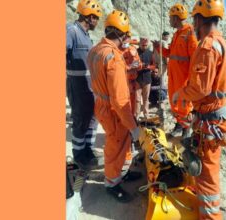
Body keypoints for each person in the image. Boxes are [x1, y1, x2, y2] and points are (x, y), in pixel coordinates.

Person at [172, 0, 226, 219]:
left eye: (194, 19)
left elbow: (200, 88)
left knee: (207, 175)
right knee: (206, 171)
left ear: (199, 19)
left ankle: (209, 216)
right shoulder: (222, 43)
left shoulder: (207, 46)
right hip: (212, 117)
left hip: (211, 120)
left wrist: (181, 93)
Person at [87, 9, 142, 203]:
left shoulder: (96, 50)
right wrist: (133, 126)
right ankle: (111, 183)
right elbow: (119, 101)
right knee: (115, 145)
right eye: (127, 34)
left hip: (102, 105)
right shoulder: (114, 58)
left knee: (120, 144)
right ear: (123, 33)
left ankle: (120, 173)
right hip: (113, 110)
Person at [66, 0, 103, 170]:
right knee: (80, 120)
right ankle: (79, 155)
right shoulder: (72, 31)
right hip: (78, 85)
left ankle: (87, 149)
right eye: (95, 18)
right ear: (88, 16)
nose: (97, 21)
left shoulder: (86, 35)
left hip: (90, 87)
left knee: (92, 119)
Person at [152, 3, 198, 137]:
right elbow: (170, 53)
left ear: (176, 18)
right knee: (175, 104)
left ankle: (186, 130)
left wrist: (192, 80)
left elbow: (195, 58)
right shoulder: (177, 34)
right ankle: (179, 125)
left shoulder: (190, 33)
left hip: (183, 79)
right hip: (173, 77)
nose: (169, 20)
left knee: (184, 105)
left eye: (171, 18)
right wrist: (158, 47)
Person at [136, 38, 157, 119]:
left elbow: (154, 65)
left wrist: (148, 67)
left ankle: (146, 115)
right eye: (143, 45)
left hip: (147, 79)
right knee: (137, 99)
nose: (144, 46)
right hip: (137, 78)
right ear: (140, 44)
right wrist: (140, 66)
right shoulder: (136, 52)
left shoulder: (150, 53)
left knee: (146, 99)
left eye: (145, 45)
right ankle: (137, 115)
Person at [121, 36, 142, 117]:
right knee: (123, 103)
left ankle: (132, 119)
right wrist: (129, 67)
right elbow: (116, 68)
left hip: (132, 82)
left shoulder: (132, 49)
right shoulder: (117, 51)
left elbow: (139, 65)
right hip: (122, 82)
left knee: (133, 103)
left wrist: (136, 65)